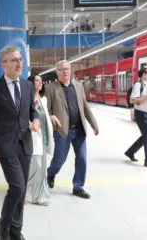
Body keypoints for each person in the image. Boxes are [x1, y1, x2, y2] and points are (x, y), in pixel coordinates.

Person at [0, 46, 40, 240]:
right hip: (5, 145)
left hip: (25, 143)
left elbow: (32, 111)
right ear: (3, 64)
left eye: (20, 59)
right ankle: (4, 225)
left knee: (22, 189)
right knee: (17, 187)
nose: (19, 63)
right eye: (14, 60)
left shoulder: (27, 86)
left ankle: (16, 230)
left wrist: (36, 120)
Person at [46, 60, 99, 199]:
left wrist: (94, 124)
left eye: (67, 69)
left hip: (79, 130)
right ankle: (50, 174)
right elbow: (48, 109)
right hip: (62, 130)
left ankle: (78, 186)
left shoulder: (78, 86)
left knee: (82, 158)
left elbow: (85, 106)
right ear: (57, 72)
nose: (65, 72)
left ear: (71, 70)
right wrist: (51, 116)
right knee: (59, 160)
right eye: (62, 69)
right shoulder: (51, 88)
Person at [26, 74, 54, 206]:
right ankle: (24, 192)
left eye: (41, 81)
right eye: (37, 80)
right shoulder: (26, 99)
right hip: (31, 137)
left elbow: (44, 116)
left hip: (43, 138)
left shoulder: (44, 99)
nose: (40, 83)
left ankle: (40, 196)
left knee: (42, 168)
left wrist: (52, 117)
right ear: (31, 83)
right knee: (35, 166)